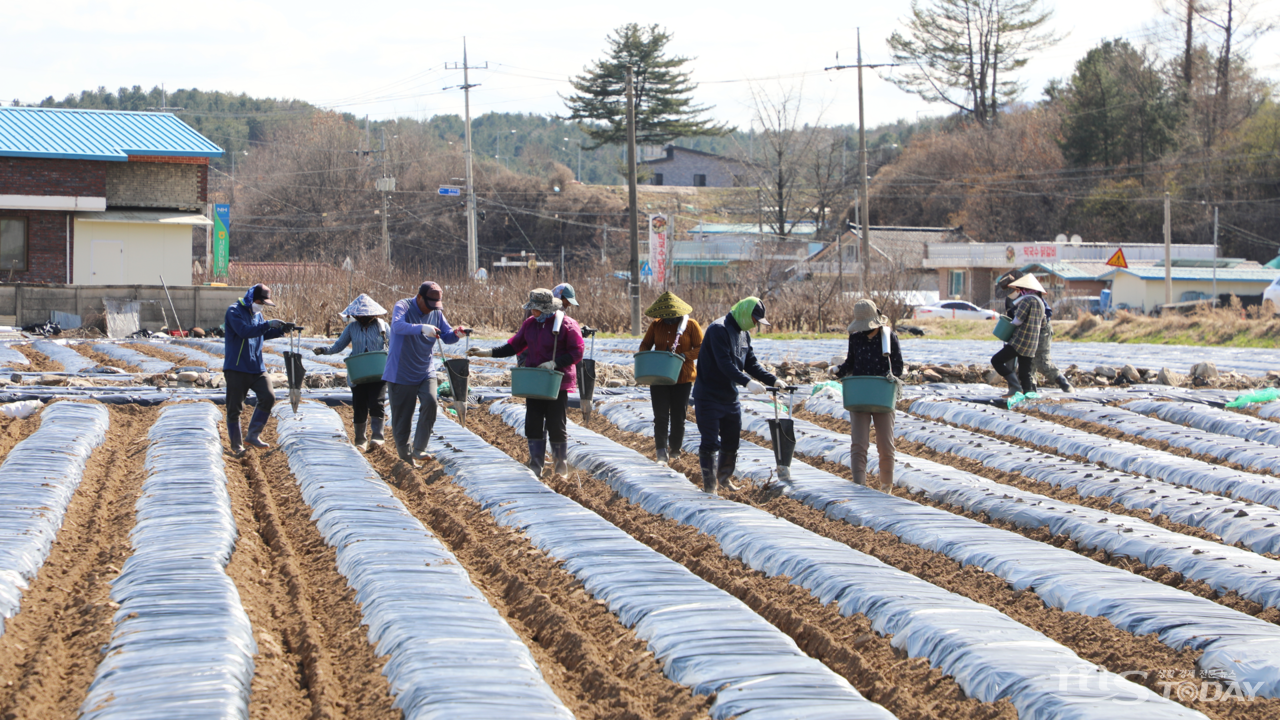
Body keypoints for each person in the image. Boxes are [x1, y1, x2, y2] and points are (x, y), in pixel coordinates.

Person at [469, 288, 584, 478]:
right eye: (532, 308)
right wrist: (486, 352)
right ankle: (536, 464)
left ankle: (560, 466)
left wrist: (555, 363)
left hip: (556, 381)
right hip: (534, 380)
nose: (533, 312)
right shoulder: (530, 324)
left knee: (556, 423)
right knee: (533, 422)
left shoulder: (566, 325)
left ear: (547, 309)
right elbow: (514, 345)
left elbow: (577, 352)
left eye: (536, 309)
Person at [691, 297, 783, 494]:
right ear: (744, 312)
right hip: (708, 396)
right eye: (754, 319)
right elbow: (725, 364)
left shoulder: (744, 335)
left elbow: (751, 363)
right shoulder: (718, 329)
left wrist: (772, 380)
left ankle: (724, 479)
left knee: (732, 441)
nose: (755, 324)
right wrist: (747, 382)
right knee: (710, 442)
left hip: (729, 397)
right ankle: (710, 486)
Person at [382, 281, 470, 465]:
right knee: (402, 419)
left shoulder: (436, 313)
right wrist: (421, 327)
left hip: (425, 369)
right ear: (419, 297)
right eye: (428, 305)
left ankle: (419, 448)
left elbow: (446, 336)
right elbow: (397, 326)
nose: (431, 310)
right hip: (401, 372)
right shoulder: (403, 306)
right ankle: (406, 460)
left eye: (435, 306)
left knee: (430, 402)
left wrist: (457, 334)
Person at [830, 299, 904, 491]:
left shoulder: (889, 338)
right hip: (860, 394)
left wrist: (888, 378)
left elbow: (898, 367)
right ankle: (858, 485)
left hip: (882, 394)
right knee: (859, 444)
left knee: (885, 445)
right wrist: (838, 370)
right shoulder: (855, 338)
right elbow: (851, 364)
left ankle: (886, 485)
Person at [314, 293, 389, 452]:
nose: (361, 317)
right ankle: (360, 439)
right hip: (359, 371)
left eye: (365, 315)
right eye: (358, 315)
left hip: (378, 371)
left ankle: (377, 437)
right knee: (359, 405)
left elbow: (393, 345)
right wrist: (323, 351)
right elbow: (338, 346)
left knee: (377, 402)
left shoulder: (382, 326)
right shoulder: (352, 328)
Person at [223, 284, 289, 456]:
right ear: (252, 298)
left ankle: (253, 435)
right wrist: (267, 324)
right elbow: (244, 331)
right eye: (261, 301)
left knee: (268, 396)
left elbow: (261, 334)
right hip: (237, 368)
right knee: (234, 408)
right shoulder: (234, 312)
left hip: (256, 367)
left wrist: (280, 330)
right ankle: (237, 445)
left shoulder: (258, 315)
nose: (262, 306)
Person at [639, 291, 702, 464]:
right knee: (660, 416)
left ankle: (675, 451)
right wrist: (645, 356)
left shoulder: (690, 325)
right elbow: (645, 344)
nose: (668, 320)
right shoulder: (656, 325)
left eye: (671, 317)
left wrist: (684, 356)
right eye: (664, 317)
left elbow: (701, 347)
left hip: (682, 377)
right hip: (659, 376)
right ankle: (660, 451)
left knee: (678, 416)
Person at [998, 272, 1072, 393]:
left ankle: (1064, 383)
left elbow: (1047, 313)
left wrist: (1029, 319)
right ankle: (1030, 391)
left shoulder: (1031, 296)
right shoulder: (1009, 301)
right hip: (1023, 331)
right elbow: (1012, 319)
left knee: (1042, 361)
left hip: (1041, 329)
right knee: (1026, 363)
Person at [991, 274, 1046, 398]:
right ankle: (1028, 396)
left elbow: (1018, 320)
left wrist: (1009, 325)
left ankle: (1015, 386)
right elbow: (1043, 323)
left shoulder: (1027, 300)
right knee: (1025, 373)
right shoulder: (1039, 302)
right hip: (1032, 342)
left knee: (996, 360)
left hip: (1020, 340)